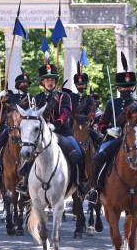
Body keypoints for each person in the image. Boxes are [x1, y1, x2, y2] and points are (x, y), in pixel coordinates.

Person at [87, 52, 137, 203]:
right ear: (118, 88)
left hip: (133, 139)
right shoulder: (113, 104)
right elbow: (103, 122)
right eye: (123, 87)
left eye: (129, 86)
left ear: (133, 87)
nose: (127, 89)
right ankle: (95, 189)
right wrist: (108, 130)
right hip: (115, 138)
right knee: (98, 157)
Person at [16, 57, 88, 196]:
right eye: (47, 80)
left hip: (62, 133)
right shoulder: (37, 99)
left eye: (52, 80)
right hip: (41, 135)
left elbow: (66, 113)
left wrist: (55, 124)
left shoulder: (63, 96)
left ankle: (81, 183)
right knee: (29, 153)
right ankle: (25, 182)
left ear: (55, 81)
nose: (49, 82)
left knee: (79, 153)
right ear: (42, 82)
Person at [0, 68, 33, 176]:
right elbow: (1, 107)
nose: (25, 85)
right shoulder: (12, 97)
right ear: (18, 85)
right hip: (13, 127)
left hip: (26, 127)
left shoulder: (31, 98)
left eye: (26, 83)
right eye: (23, 83)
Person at [70, 63, 102, 148]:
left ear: (86, 85)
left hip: (85, 125)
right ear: (76, 86)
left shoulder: (90, 99)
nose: (81, 86)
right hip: (73, 124)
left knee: (99, 140)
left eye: (83, 85)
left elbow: (91, 113)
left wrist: (86, 120)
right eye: (79, 85)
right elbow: (69, 110)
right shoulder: (72, 97)